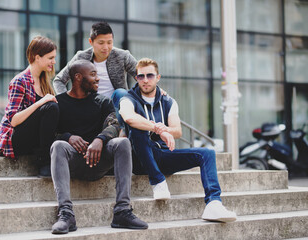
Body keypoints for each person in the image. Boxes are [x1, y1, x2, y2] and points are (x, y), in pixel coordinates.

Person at [119, 58, 237, 223]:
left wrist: (166, 130)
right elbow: (129, 118)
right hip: (140, 158)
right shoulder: (128, 98)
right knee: (137, 129)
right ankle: (158, 181)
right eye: (141, 76)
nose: (145, 80)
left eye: (150, 75)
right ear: (136, 78)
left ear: (158, 77)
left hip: (163, 155)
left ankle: (214, 204)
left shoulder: (168, 101)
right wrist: (157, 128)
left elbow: (177, 131)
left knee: (207, 153)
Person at [50, 59, 148, 234]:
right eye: (93, 74)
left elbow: (115, 124)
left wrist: (100, 139)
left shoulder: (102, 101)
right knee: (58, 145)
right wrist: (68, 137)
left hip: (100, 160)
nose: (98, 78)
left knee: (122, 142)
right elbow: (49, 134)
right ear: (78, 77)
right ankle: (66, 214)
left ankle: (122, 211)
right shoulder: (59, 103)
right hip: (74, 161)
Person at [0, 36, 59, 177]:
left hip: (33, 138)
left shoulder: (44, 81)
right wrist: (41, 102)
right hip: (14, 140)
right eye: (50, 58)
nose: (54, 62)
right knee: (51, 107)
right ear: (37, 57)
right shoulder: (19, 81)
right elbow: (13, 120)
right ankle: (44, 162)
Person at [53, 22, 135, 126]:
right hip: (90, 105)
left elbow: (142, 75)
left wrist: (155, 89)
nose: (106, 47)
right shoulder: (81, 57)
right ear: (91, 42)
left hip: (114, 106)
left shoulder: (122, 56)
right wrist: (67, 103)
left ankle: (122, 130)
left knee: (121, 93)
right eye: (101, 43)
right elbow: (59, 80)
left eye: (109, 42)